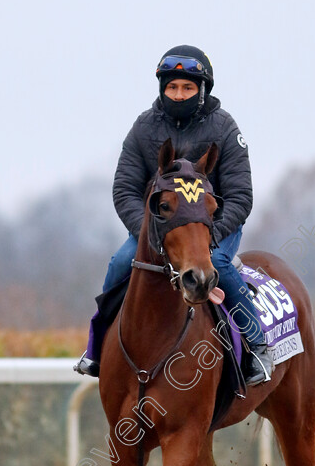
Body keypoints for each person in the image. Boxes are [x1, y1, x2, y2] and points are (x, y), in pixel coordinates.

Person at [76, 44, 274, 386]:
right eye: (172, 87)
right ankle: (96, 348)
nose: (179, 94)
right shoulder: (143, 127)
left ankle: (256, 346)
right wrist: (149, 233)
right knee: (120, 264)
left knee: (220, 267)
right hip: (157, 230)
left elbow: (241, 196)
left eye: (187, 87)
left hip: (212, 230)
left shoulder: (225, 128)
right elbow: (124, 189)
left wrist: (208, 235)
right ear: (162, 89)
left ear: (202, 90)